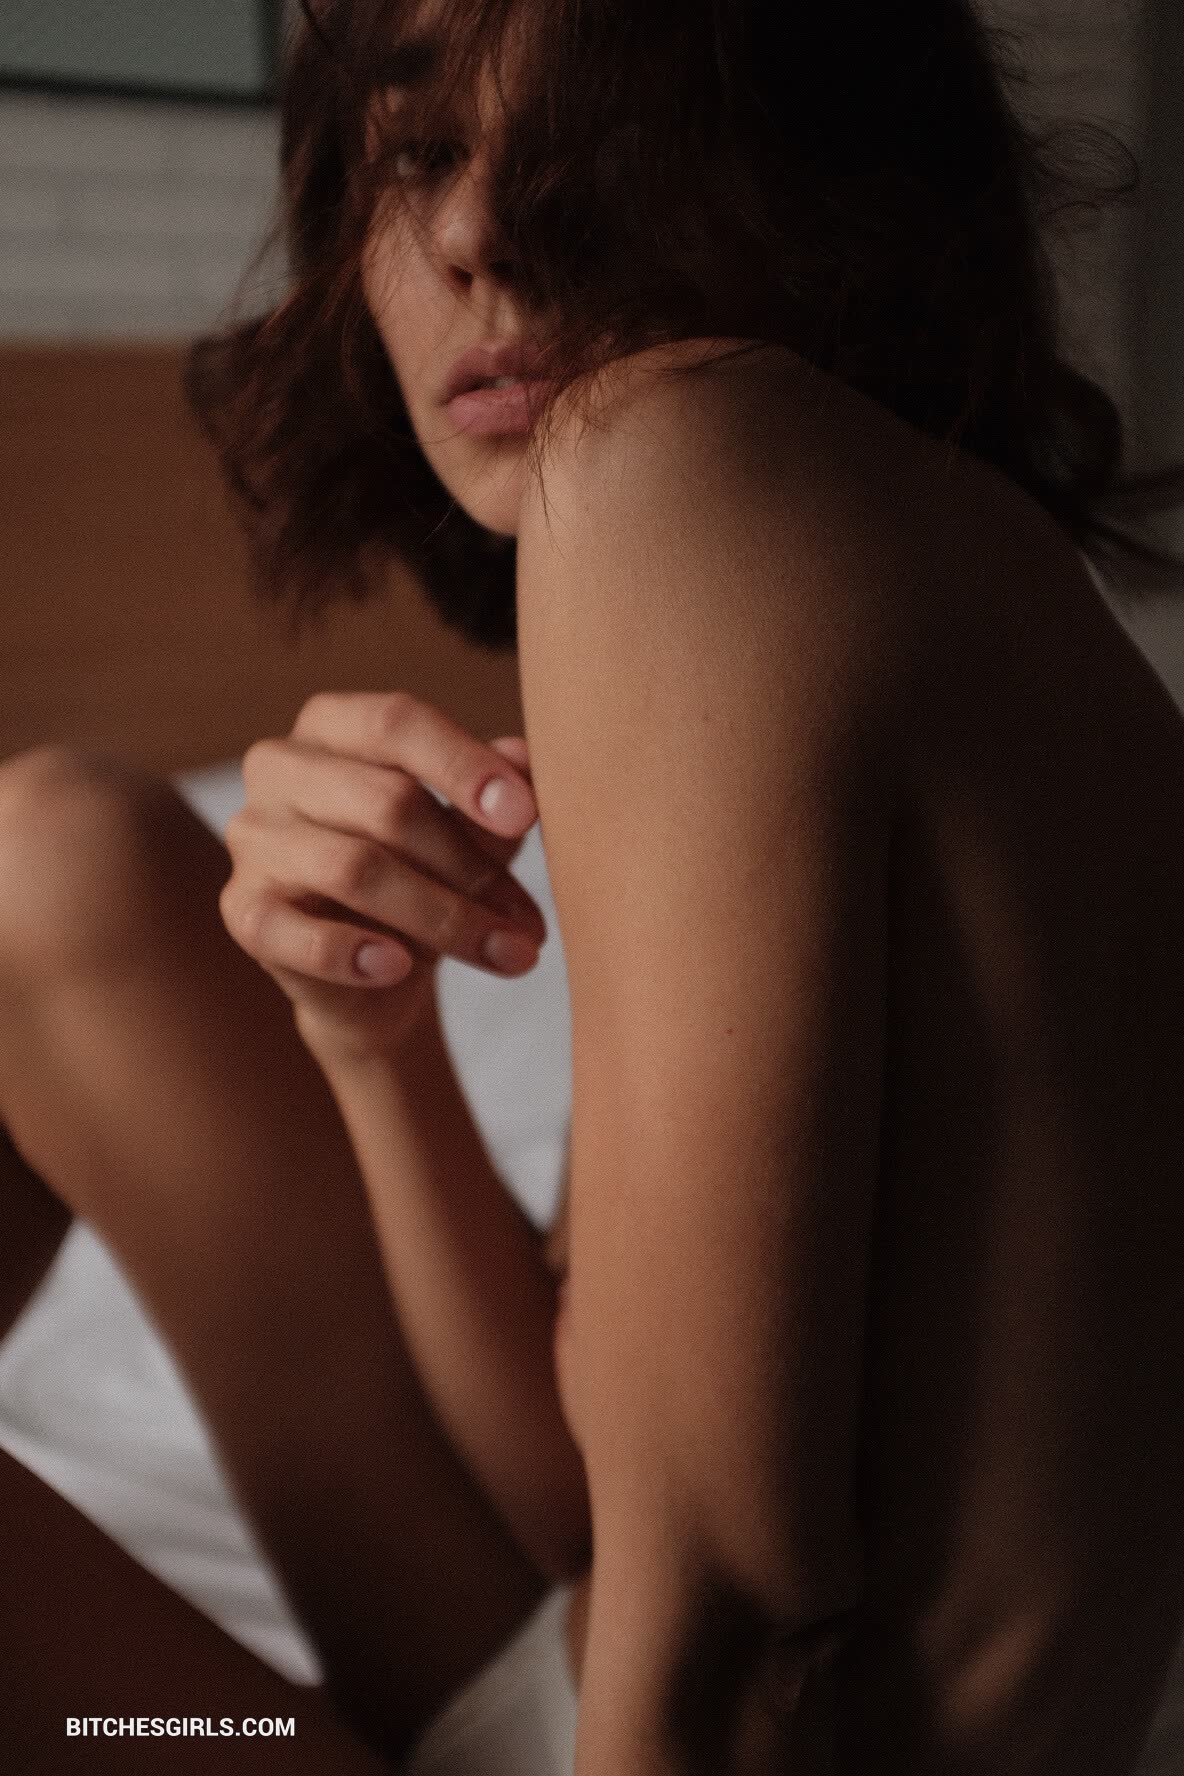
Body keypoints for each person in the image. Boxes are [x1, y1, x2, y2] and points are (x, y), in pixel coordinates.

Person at [2, 0, 1184, 1770]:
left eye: (599, 134)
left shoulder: (672, 467)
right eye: (417, 155)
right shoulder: (900, 550)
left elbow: (738, 1615)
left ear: (829, 166)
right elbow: (589, 1505)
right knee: (52, 856)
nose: (480, 233)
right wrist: (370, 1037)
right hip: (574, 1663)